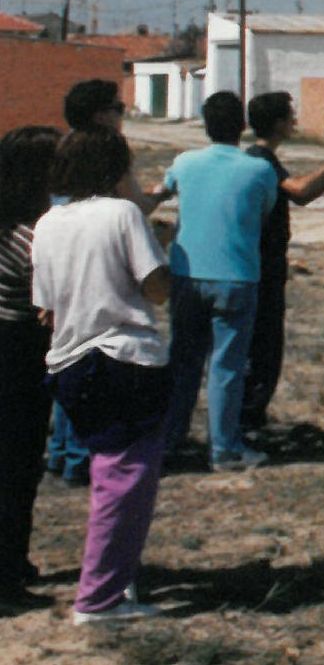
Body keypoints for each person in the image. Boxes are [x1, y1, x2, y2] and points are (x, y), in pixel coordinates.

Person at [32, 128, 174, 623]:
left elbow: (46, 308)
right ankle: (100, 598)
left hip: (71, 363)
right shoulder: (122, 214)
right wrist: (161, 247)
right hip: (124, 356)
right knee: (127, 481)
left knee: (107, 474)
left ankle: (117, 574)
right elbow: (156, 290)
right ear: (115, 170)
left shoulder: (48, 223)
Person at [153, 91, 278, 472]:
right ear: (242, 126)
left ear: (205, 125)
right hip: (236, 275)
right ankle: (224, 447)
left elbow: (163, 190)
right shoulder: (259, 169)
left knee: (183, 360)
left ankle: (170, 439)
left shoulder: (185, 162)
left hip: (188, 274)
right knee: (227, 366)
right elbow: (264, 212)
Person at [237, 93, 324, 435]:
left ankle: (250, 415)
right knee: (264, 345)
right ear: (278, 123)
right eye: (290, 116)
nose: (295, 122)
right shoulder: (262, 160)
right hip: (264, 266)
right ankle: (250, 418)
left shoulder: (260, 157)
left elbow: (298, 194)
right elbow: (299, 191)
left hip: (263, 263)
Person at [49, 81, 131, 489]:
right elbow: (130, 204)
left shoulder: (61, 150)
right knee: (88, 366)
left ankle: (61, 451)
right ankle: (79, 456)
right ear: (101, 115)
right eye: (118, 108)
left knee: (66, 358)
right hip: (91, 272)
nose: (121, 115)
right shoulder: (102, 153)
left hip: (57, 268)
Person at [0, 127, 60, 605]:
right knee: (18, 465)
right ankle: (7, 572)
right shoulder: (33, 237)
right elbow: (52, 303)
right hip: (20, 352)